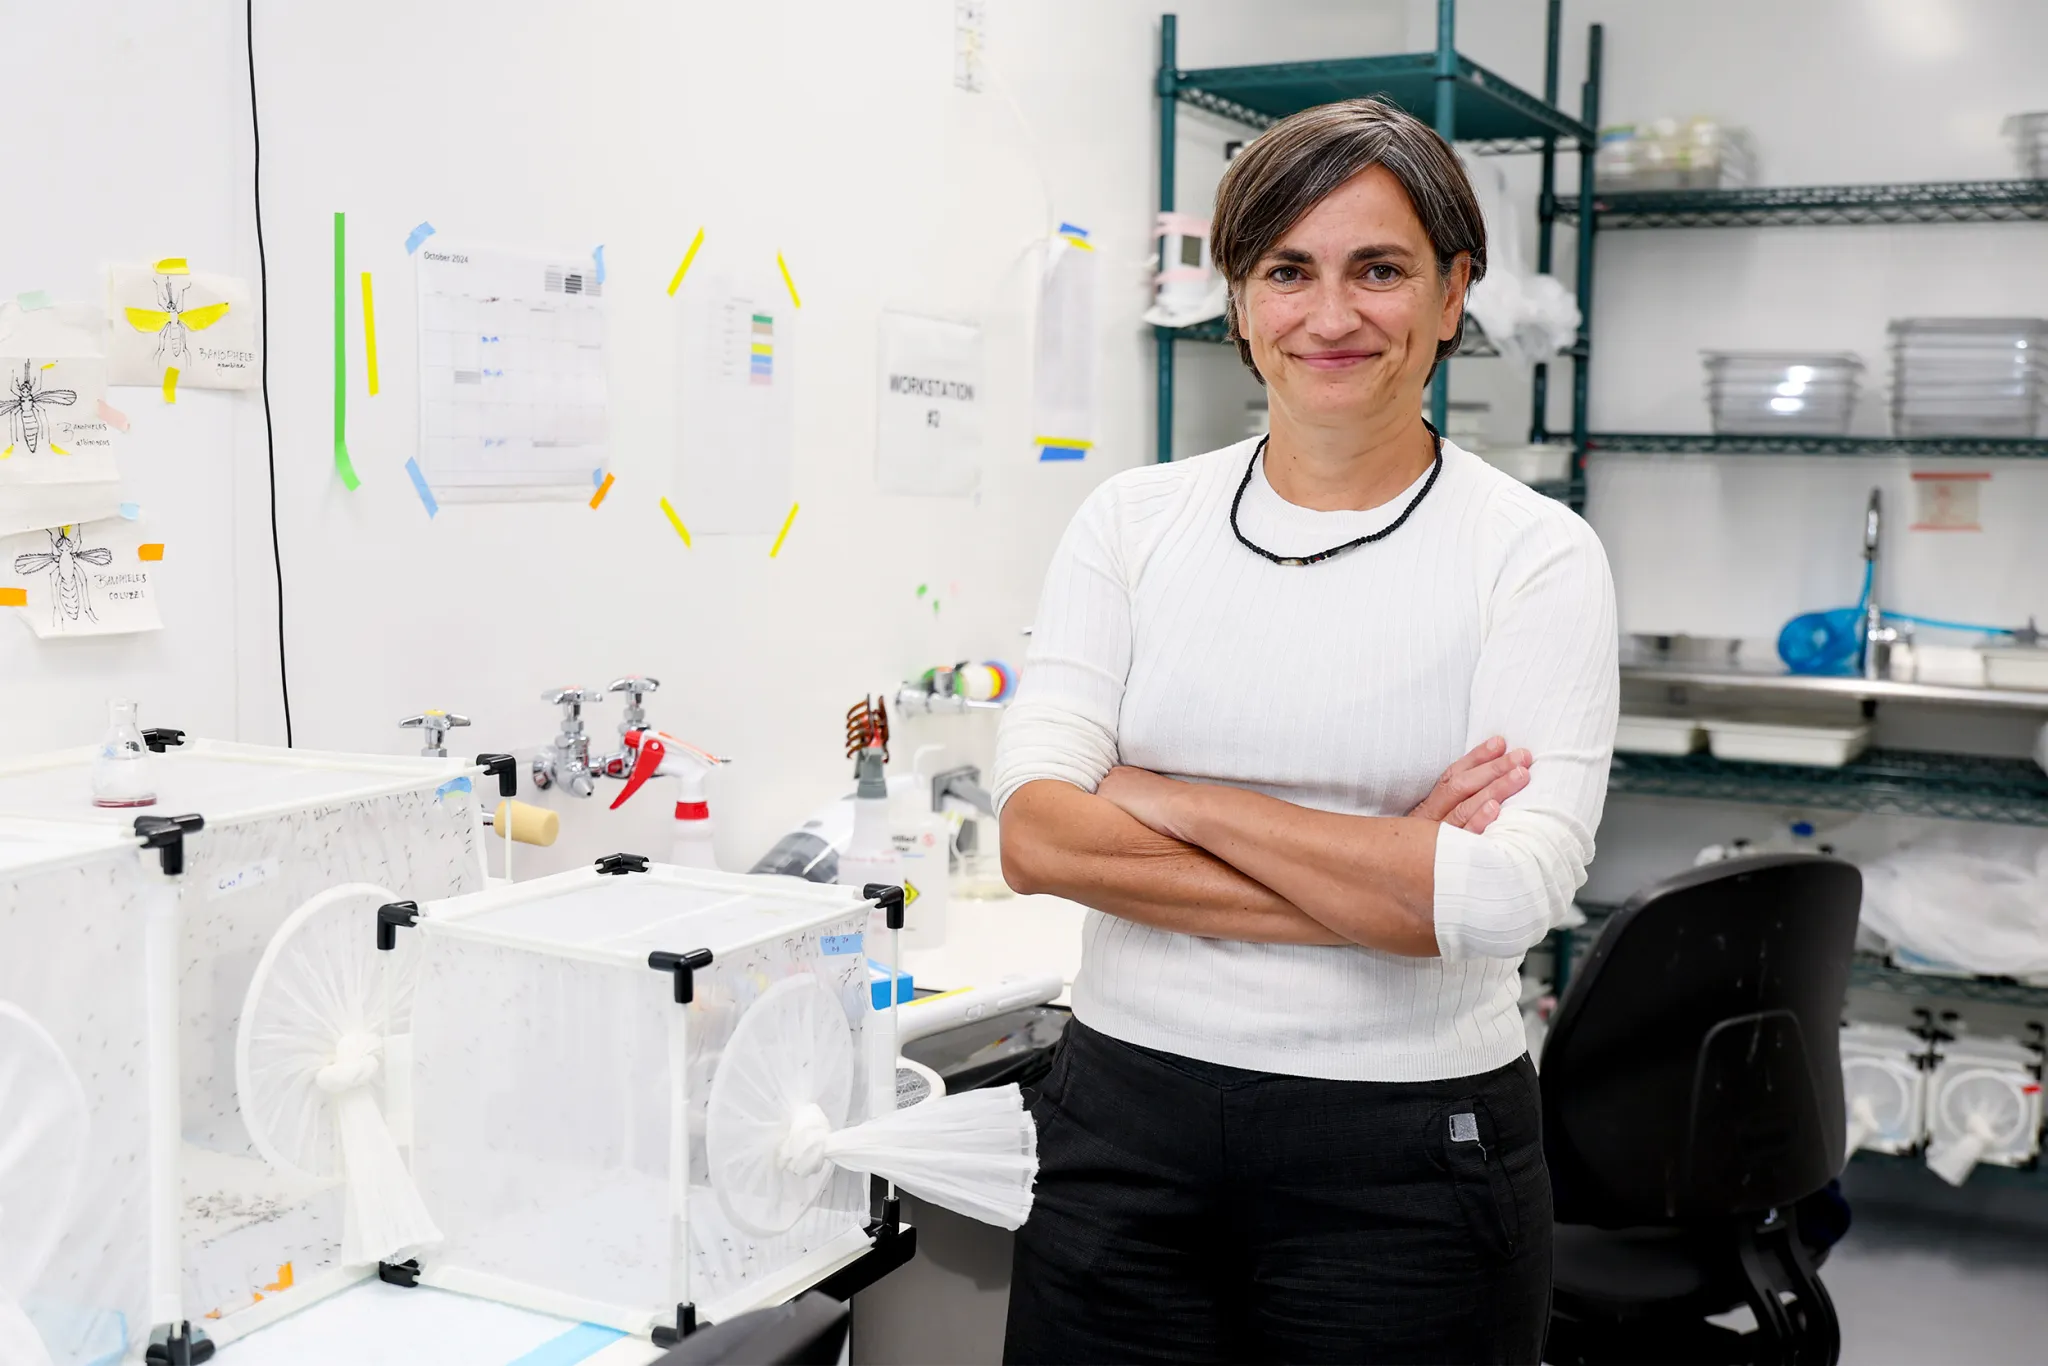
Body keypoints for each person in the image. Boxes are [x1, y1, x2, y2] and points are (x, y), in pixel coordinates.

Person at [991, 97, 1619, 1364]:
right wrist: (1387, 873)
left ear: (1451, 295)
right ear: (1236, 301)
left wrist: (1172, 793)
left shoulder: (1534, 556)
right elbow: (1036, 838)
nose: (1329, 317)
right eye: (1286, 271)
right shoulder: (1129, 524)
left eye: (1377, 269)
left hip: (1406, 1160)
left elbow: (1502, 903)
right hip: (1120, 1127)